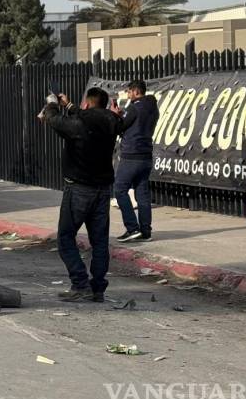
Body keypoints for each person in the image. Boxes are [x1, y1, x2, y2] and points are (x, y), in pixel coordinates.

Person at [39, 87, 120, 302]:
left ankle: (80, 283)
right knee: (100, 241)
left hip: (79, 189)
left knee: (65, 238)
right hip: (102, 190)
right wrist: (70, 105)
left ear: (87, 103)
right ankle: (98, 288)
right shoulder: (112, 121)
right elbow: (94, 118)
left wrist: (52, 103)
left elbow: (55, 120)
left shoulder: (79, 124)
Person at [109, 79, 160, 242]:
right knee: (142, 193)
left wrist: (115, 115)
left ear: (136, 92)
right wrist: (123, 114)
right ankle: (145, 231)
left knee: (119, 190)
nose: (129, 94)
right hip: (146, 155)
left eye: (130, 92)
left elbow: (120, 127)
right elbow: (134, 122)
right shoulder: (153, 108)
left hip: (131, 154)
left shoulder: (135, 107)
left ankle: (132, 228)